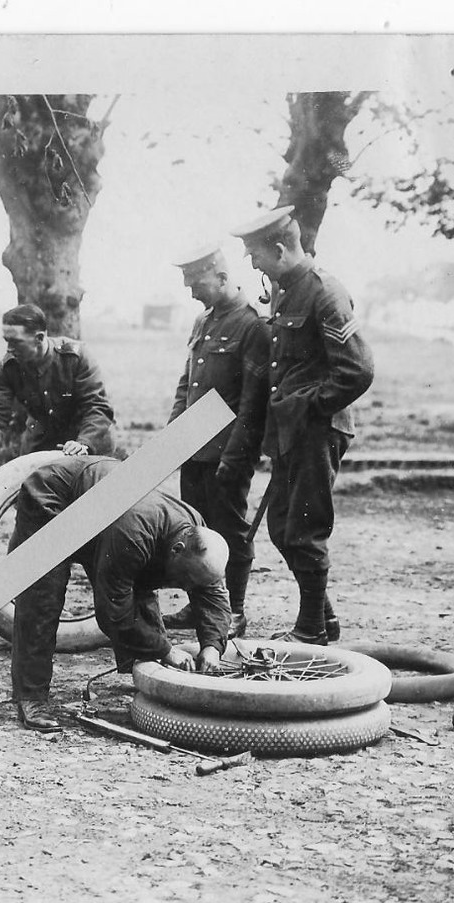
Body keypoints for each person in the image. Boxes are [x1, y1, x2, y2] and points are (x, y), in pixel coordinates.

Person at [230, 205, 374, 644]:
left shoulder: (324, 291)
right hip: (291, 432)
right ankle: (323, 617)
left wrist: (309, 406)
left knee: (304, 529)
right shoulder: (286, 291)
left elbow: (357, 370)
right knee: (281, 528)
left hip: (317, 430)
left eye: (255, 255)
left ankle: (310, 629)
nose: (253, 265)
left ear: (278, 249)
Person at [6, 455, 233, 733]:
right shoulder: (133, 536)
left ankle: (143, 672)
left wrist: (212, 646)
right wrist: (166, 650)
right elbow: (112, 612)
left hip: (108, 511)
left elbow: (213, 594)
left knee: (142, 581)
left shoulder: (198, 537)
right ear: (177, 549)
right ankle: (31, 697)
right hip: (54, 497)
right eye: (185, 580)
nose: (185, 588)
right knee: (44, 597)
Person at [161, 242, 271, 640]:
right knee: (195, 530)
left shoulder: (253, 326)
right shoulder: (202, 321)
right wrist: (174, 435)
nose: (191, 291)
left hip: (226, 450)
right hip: (193, 444)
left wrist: (237, 455)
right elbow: (185, 384)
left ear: (223, 278)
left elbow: (252, 401)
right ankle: (198, 605)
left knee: (229, 531)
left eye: (196, 283)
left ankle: (235, 610)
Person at [0, 304, 116, 466]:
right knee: (29, 487)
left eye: (16, 342)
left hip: (89, 441)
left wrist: (84, 442)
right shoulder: (8, 367)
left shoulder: (76, 358)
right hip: (43, 441)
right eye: (7, 341)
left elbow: (97, 407)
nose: (10, 349)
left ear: (39, 338)